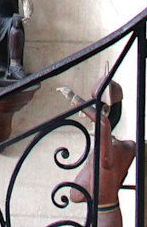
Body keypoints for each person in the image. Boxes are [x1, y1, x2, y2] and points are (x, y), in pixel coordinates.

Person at [56, 77, 137, 227]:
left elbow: (75, 194)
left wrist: (75, 100)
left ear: (103, 112)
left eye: (92, 111)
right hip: (109, 215)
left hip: (104, 219)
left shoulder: (105, 155)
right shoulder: (129, 147)